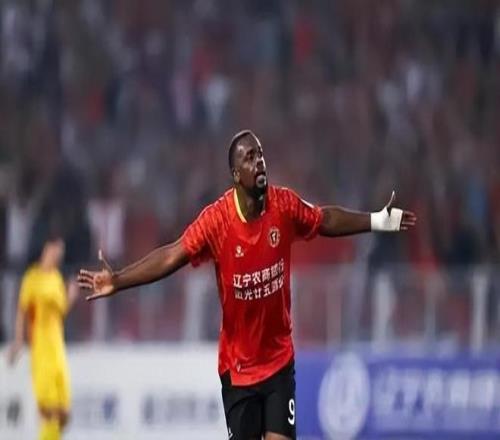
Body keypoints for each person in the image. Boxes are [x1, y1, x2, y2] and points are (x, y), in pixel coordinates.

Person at [77, 129, 416, 440]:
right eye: (250, 158)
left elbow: (323, 219)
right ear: (236, 174)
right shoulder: (217, 221)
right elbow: (172, 255)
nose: (259, 162)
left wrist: (377, 220)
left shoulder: (284, 206)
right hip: (238, 370)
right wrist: (119, 280)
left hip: (279, 360)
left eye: (261, 154)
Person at [8, 234, 79, 440]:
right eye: (57, 250)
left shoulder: (56, 278)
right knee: (48, 409)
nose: (59, 255)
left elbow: (61, 311)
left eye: (61, 252)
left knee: (64, 412)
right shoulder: (32, 278)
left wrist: (71, 297)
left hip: (58, 348)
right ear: (47, 249)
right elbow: (22, 311)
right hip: (41, 349)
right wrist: (18, 341)